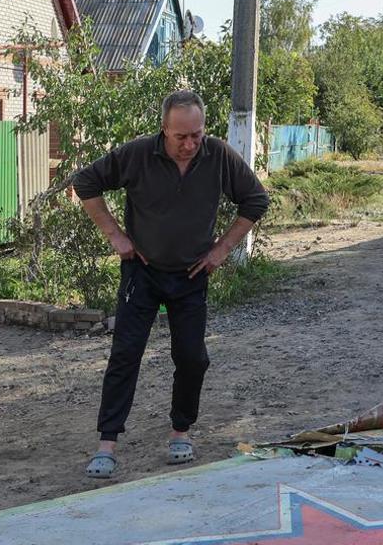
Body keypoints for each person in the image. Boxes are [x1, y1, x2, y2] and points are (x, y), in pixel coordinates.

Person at [69, 90, 270, 478]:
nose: (190, 144)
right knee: (125, 354)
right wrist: (115, 236)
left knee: (192, 357)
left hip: (192, 276)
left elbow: (255, 201)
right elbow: (85, 183)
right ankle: (107, 444)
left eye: (197, 134)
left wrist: (222, 249)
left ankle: (181, 431)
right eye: (181, 137)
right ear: (164, 130)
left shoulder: (218, 156)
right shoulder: (138, 154)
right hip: (141, 273)